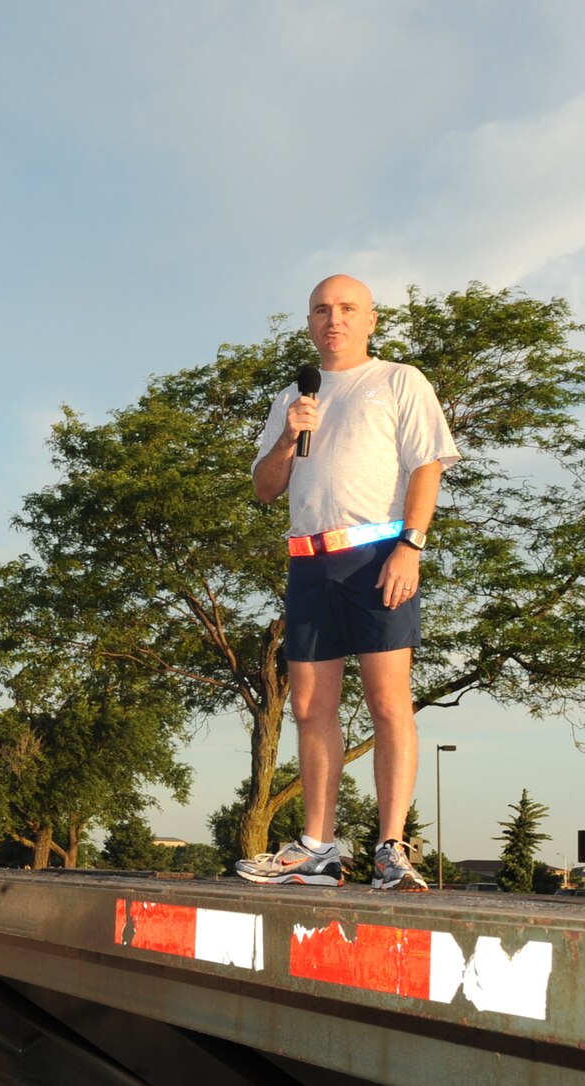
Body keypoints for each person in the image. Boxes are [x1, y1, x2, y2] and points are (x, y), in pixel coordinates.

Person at [243, 274, 459, 892]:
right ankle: (318, 851)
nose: (332, 319)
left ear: (369, 320)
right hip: (309, 562)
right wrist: (288, 434)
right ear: (309, 322)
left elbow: (427, 466)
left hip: (376, 555)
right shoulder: (294, 394)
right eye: (320, 310)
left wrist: (409, 547)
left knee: (389, 702)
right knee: (312, 707)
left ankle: (391, 849)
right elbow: (265, 487)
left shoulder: (398, 381)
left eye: (346, 309)